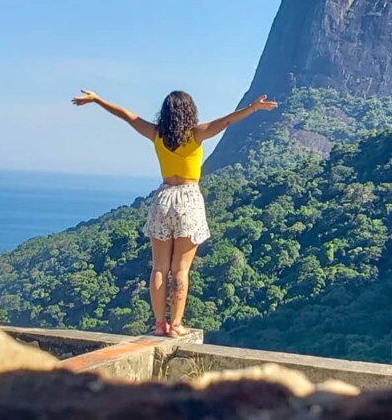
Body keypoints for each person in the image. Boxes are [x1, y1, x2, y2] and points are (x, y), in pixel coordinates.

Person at [71, 88, 277, 337]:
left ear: (166, 113)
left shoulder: (157, 134)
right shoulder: (197, 134)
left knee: (159, 268)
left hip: (164, 198)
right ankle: (176, 324)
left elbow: (126, 115)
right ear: (190, 112)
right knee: (181, 269)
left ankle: (159, 325)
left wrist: (97, 99)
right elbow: (227, 120)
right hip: (189, 200)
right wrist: (253, 107)